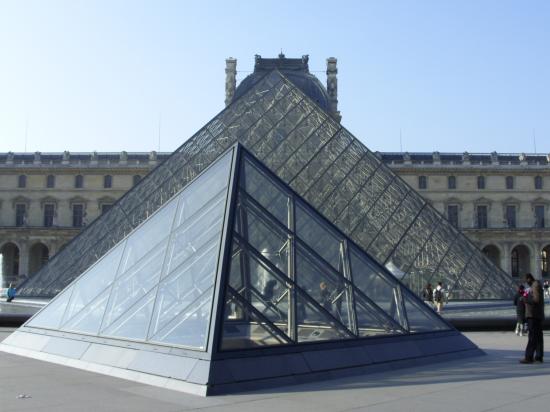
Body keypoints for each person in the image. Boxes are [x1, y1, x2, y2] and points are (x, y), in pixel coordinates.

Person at [520, 273, 545, 364]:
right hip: (536, 315)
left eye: (525, 280)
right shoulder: (535, 285)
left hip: (533, 315)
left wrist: (525, 299)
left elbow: (536, 300)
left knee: (532, 337)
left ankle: (529, 357)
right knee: (538, 337)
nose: (526, 283)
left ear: (529, 279)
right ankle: (538, 357)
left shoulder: (535, 285)